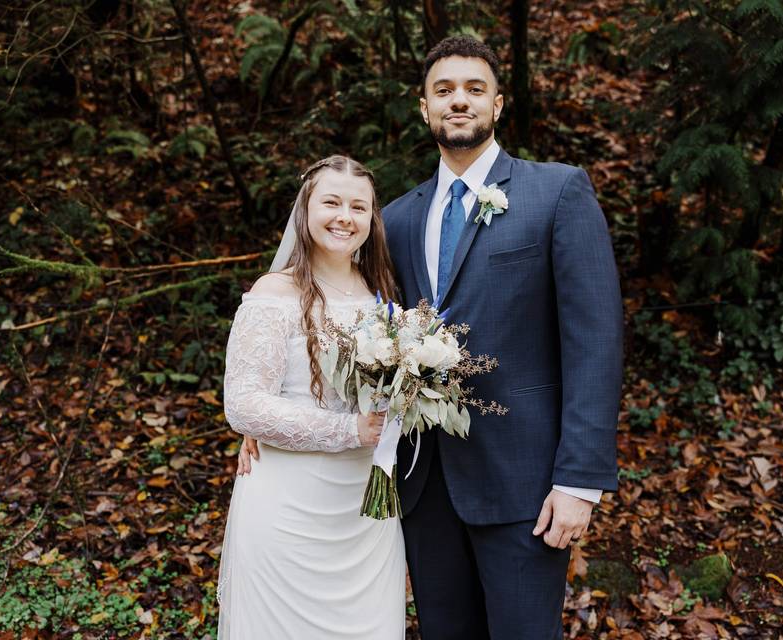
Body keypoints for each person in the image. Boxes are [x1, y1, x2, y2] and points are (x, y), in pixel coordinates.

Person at [379, 36, 624, 639]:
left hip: (526, 483)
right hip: (425, 484)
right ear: (424, 108)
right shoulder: (396, 218)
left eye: (473, 89)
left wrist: (579, 481)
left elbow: (596, 343)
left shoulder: (557, 192)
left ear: (498, 104)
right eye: (444, 90)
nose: (458, 101)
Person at [216, 155, 406, 639]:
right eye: (332, 202)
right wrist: (349, 430)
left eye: (359, 207)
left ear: (371, 219)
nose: (345, 216)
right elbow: (243, 404)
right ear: (305, 210)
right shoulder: (274, 292)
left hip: (367, 509)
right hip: (289, 506)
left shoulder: (382, 293)